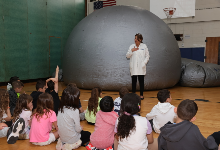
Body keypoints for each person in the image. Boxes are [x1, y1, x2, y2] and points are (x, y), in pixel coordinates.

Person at [126, 33, 150, 100]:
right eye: (135, 38)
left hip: (141, 67)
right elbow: (127, 56)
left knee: (141, 81)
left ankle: (141, 95)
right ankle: (133, 94)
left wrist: (144, 63)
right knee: (134, 81)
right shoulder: (131, 46)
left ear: (140, 39)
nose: (135, 39)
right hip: (133, 67)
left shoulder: (144, 46)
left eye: (136, 38)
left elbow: (147, 56)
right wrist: (132, 51)